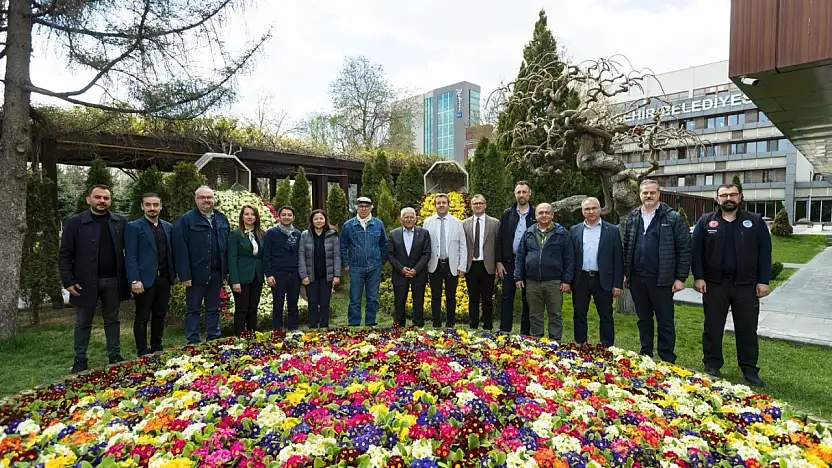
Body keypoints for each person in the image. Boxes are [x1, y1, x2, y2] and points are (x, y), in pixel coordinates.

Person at [692, 183, 771, 387]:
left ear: (740, 197)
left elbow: (765, 253)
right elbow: (696, 252)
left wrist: (763, 281)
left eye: (733, 195)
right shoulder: (706, 222)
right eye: (724, 195)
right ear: (716, 198)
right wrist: (698, 277)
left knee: (747, 329)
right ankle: (712, 365)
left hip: (746, 285)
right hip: (714, 285)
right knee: (712, 327)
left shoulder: (754, 222)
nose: (729, 198)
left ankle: (749, 369)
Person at [59, 184, 130, 373]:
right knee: (83, 322)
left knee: (112, 320)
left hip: (113, 280)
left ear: (110, 201)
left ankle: (114, 355)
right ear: (88, 199)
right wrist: (68, 280)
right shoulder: (75, 223)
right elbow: (65, 253)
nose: (102, 201)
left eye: (106, 198)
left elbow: (129, 251)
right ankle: (80, 359)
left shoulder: (119, 222)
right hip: (84, 281)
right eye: (98, 197)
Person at [622, 179, 691, 364]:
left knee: (665, 320)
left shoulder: (672, 217)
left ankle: (667, 356)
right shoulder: (633, 216)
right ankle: (646, 353)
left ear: (659, 194)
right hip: (637, 278)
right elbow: (627, 245)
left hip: (662, 279)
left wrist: (680, 277)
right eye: (645, 193)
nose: (649, 196)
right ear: (640, 194)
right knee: (643, 318)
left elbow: (684, 248)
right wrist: (626, 273)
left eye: (652, 192)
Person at [173, 185, 230, 345]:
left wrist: (225, 273)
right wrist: (185, 275)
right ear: (196, 199)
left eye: (209, 197)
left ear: (214, 199)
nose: (206, 200)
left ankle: (213, 338)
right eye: (202, 197)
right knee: (193, 309)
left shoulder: (221, 219)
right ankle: (193, 341)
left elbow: (226, 248)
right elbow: (180, 250)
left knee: (213, 308)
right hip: (195, 274)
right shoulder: (186, 220)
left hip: (216, 273)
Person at [514, 203, 574, 340]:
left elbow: (569, 258)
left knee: (555, 314)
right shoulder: (529, 232)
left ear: (552, 215)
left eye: (547, 212)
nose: (544, 215)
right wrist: (518, 277)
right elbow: (520, 256)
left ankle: (555, 342)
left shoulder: (562, 233)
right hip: (532, 281)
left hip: (554, 282)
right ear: (536, 216)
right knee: (534, 314)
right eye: (541, 213)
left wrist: (567, 280)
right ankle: (536, 341)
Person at [125, 192, 174, 356]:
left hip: (164, 279)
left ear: (161, 206)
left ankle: (157, 347)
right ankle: (142, 351)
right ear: (142, 206)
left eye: (155, 205)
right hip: (143, 281)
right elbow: (130, 255)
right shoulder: (134, 227)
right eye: (148, 205)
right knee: (142, 316)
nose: (152, 208)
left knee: (160, 315)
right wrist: (134, 279)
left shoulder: (168, 227)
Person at [569, 197, 623, 347]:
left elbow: (618, 258)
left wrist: (617, 284)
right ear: (582, 211)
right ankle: (580, 343)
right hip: (581, 278)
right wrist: (568, 279)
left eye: (594, 208)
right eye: (587, 209)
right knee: (579, 314)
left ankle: (607, 346)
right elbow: (570, 257)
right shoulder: (575, 230)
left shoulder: (612, 230)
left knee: (606, 314)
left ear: (600, 209)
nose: (591, 211)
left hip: (603, 279)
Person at [340, 196, 387, 327]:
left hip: (374, 267)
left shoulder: (378, 224)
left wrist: (380, 262)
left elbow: (384, 244)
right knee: (355, 298)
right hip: (355, 267)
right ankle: (354, 324)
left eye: (366, 206)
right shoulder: (349, 225)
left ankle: (370, 323)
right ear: (357, 207)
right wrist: (346, 264)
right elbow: (342, 246)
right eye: (361, 206)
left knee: (372, 298)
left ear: (371, 207)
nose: (364, 209)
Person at [497, 181, 536, 334]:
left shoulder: (535, 214)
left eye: (524, 192)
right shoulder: (508, 213)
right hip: (509, 262)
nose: (521, 195)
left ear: (529, 194)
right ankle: (504, 330)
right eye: (519, 192)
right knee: (507, 297)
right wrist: (499, 261)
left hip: (529, 262)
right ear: (515, 194)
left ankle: (525, 332)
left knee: (527, 298)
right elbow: (500, 238)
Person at [423, 193, 467, 328]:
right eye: (438, 203)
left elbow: (462, 245)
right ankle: (436, 322)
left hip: (451, 264)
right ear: (435, 205)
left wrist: (462, 265)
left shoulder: (458, 222)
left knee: (451, 295)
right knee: (435, 295)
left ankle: (450, 323)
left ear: (448, 204)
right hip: (434, 264)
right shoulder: (427, 222)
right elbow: (424, 244)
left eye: (444, 202)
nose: (441, 205)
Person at [386, 207, 432, 327]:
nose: (409, 219)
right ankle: (398, 327)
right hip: (399, 274)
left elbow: (426, 254)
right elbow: (390, 255)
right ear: (401, 219)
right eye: (406, 217)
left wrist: (415, 270)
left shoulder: (423, 233)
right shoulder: (393, 234)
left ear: (416, 219)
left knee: (418, 302)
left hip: (418, 274)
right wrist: (401, 268)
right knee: (399, 303)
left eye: (412, 217)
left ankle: (418, 326)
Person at [462, 195, 500, 330]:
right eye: (475, 203)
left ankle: (488, 325)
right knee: (473, 297)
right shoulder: (464, 223)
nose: (478, 205)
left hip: (487, 265)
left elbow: (498, 245)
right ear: (471, 206)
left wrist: (498, 263)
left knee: (487, 297)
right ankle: (473, 324)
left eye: (480, 203)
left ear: (485, 205)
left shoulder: (495, 223)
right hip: (471, 265)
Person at [298, 209, 341, 329]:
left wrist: (337, 275)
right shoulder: (305, 235)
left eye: (321, 218)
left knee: (324, 303)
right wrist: (303, 275)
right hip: (311, 275)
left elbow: (337, 256)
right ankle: (312, 327)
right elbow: (301, 255)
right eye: (316, 218)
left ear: (325, 220)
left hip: (326, 275)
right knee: (312, 303)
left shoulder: (332, 235)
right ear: (312, 220)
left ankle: (324, 327)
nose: (318, 221)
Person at [227, 204, 265, 335]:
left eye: (252, 214)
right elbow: (231, 259)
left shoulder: (261, 234)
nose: (250, 217)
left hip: (257, 276)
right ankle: (239, 337)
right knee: (242, 309)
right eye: (247, 214)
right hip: (241, 277)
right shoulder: (235, 234)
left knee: (253, 308)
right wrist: (235, 280)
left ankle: (252, 334)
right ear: (242, 217)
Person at [264, 205, 302, 330]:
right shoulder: (271, 233)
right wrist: (269, 274)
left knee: (293, 305)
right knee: (278, 305)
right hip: (277, 274)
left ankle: (293, 331)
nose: (286, 217)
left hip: (294, 274)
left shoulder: (297, 234)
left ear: (293, 217)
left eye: (289, 215)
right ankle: (277, 332)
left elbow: (299, 254)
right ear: (279, 217)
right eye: (284, 215)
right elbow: (266, 255)